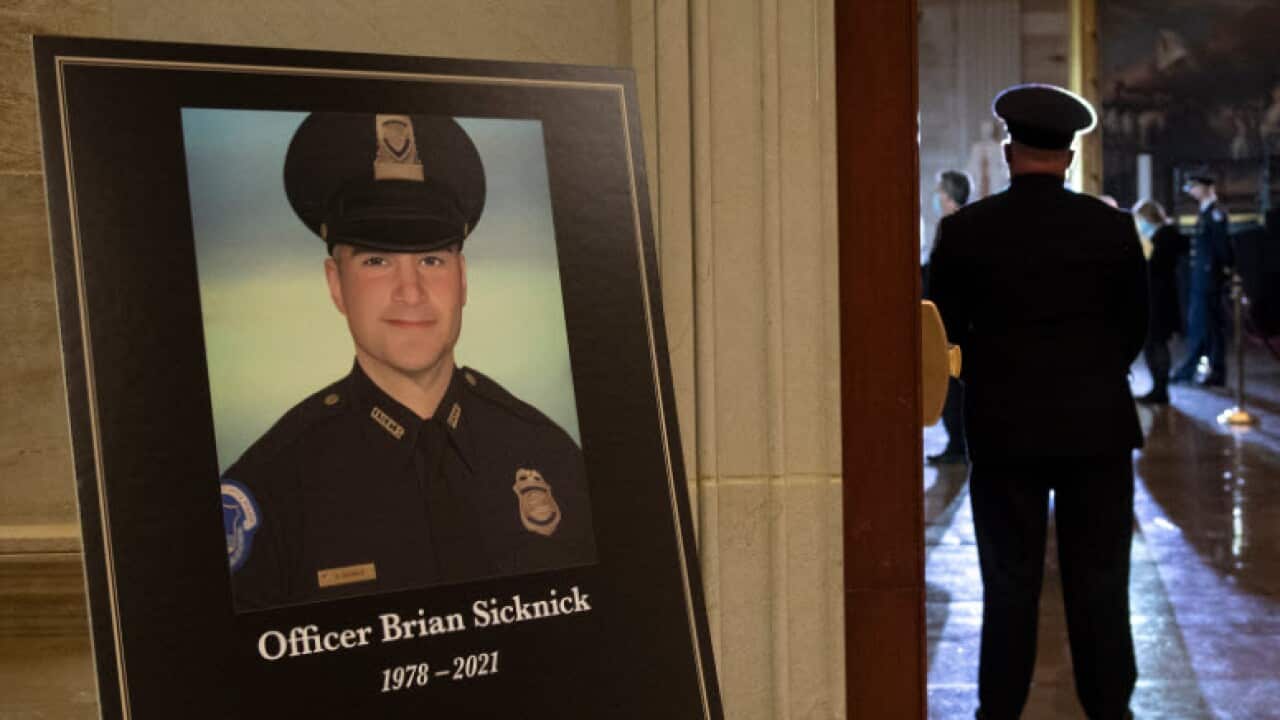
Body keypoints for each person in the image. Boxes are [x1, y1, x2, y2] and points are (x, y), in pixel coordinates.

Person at [221, 113, 596, 611]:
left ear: (462, 279)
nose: (411, 291)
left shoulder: (552, 456)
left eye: (431, 260)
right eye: (377, 261)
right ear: (336, 284)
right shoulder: (271, 488)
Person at [929, 84, 1148, 720]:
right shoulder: (1112, 228)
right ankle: (1110, 709)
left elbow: (943, 331)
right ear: (1070, 158)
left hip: (1003, 428)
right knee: (1101, 583)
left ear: (1007, 151)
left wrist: (995, 376)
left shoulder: (964, 230)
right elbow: (1135, 325)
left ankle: (998, 710)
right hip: (1097, 430)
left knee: (1008, 583)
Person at [925, 170, 972, 464]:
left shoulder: (952, 226)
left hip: (949, 319)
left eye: (940, 191)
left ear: (948, 195)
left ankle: (958, 443)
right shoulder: (962, 224)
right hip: (957, 317)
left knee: (952, 385)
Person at [1169, 171, 1231, 387]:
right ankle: (1211, 370)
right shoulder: (1206, 212)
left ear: (1205, 187)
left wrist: (1222, 272)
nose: (1192, 192)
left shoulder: (1215, 213)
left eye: (1194, 187)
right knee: (1206, 325)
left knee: (1206, 325)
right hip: (1201, 278)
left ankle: (1205, 370)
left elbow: (1222, 248)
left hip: (1208, 278)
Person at [1133, 199, 1189, 404]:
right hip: (1158, 299)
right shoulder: (1161, 236)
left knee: (1156, 344)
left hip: (1159, 300)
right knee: (1154, 344)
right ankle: (1158, 387)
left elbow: (1154, 267)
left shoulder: (1163, 238)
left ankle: (1160, 389)